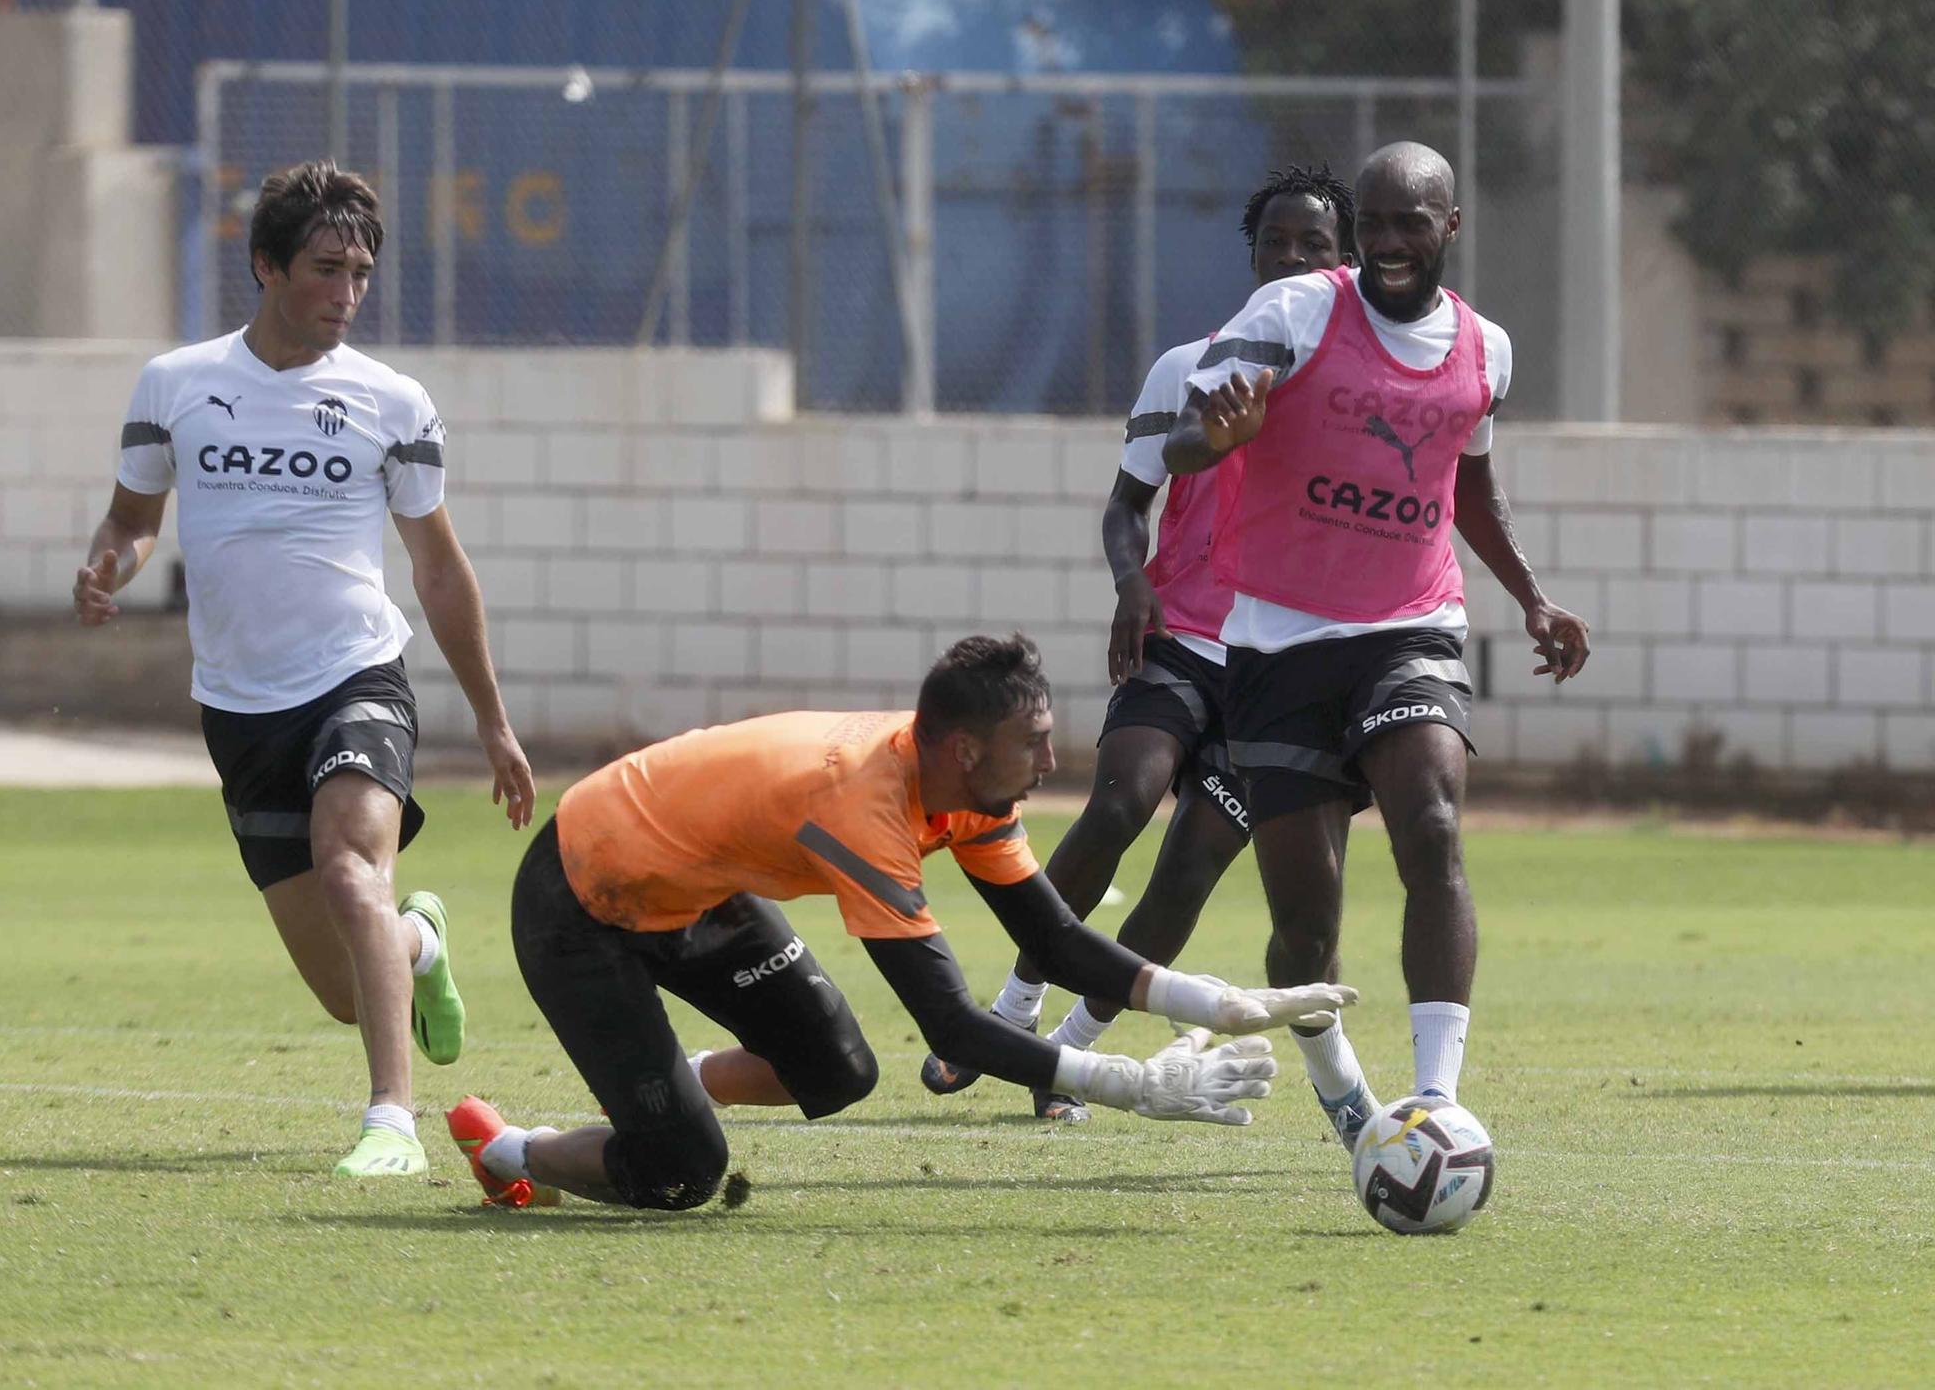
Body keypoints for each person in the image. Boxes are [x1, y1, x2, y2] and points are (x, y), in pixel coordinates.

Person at [445, 635, 1354, 1211]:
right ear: (966, 751)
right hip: (582, 895)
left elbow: (1054, 940)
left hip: (691, 887)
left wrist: (1217, 1001)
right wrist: (1132, 1084)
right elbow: (953, 1024)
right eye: (1033, 742)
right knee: (684, 1169)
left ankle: (657, 1085)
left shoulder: (971, 793)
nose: (1051, 757)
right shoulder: (860, 807)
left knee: (837, 1069)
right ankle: (513, 1149)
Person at [73, 160, 536, 1177]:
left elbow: (440, 571)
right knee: (343, 983)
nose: (347, 293)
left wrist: (493, 723)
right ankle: (420, 941)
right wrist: (111, 562)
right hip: (239, 707)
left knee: (348, 869)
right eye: (326, 269)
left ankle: (390, 1122)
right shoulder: (176, 384)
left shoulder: (392, 401)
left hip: (357, 676)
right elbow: (134, 518)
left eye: (361, 272)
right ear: (266, 267)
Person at [1163, 141, 1591, 1148]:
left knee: (1431, 827)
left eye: (1412, 221)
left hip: (1409, 630)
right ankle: (1348, 1100)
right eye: (1374, 223)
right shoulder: (1293, 313)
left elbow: (1467, 481)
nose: (1390, 242)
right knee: (1304, 923)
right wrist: (1215, 440)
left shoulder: (1483, 347)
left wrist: (1529, 597)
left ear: (1449, 226)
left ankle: (1437, 1097)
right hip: (1274, 645)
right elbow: (1186, 439)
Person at [920, 165, 1358, 1123]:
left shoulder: (1348, 401)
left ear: (1345, 267)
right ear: (1252, 257)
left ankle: (1067, 1058)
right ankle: (1014, 1009)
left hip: (1278, 669)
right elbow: (1128, 505)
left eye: (1313, 246)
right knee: (1119, 805)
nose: (1290, 258)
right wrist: (1133, 580)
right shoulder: (1186, 368)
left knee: (1187, 875)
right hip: (1181, 643)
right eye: (1274, 242)